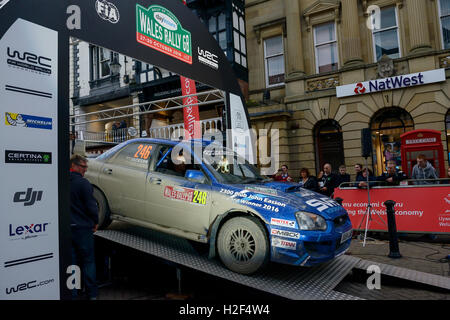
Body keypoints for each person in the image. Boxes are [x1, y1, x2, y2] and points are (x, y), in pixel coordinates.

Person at [70, 154, 99, 300]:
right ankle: (92, 295)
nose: (85, 170)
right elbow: (91, 206)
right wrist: (96, 221)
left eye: (86, 167)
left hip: (68, 230)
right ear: (74, 166)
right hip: (83, 230)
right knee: (88, 262)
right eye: (83, 167)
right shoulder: (83, 183)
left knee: (72, 262)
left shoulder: (61, 181)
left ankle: (73, 294)